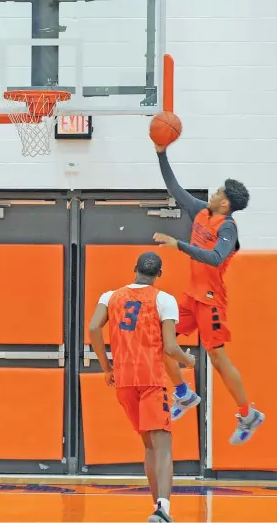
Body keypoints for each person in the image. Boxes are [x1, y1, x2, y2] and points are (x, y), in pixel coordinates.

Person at [152, 143, 265, 444]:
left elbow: (215, 258)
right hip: (191, 298)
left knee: (217, 358)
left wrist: (179, 245)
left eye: (218, 194)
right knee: (158, 337)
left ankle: (248, 413)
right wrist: (161, 152)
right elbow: (175, 188)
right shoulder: (200, 211)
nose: (212, 195)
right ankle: (183, 394)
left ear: (226, 204)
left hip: (212, 302)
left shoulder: (228, 228)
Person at [89, 251, 195, 523]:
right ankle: (162, 508)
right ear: (159, 274)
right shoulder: (164, 299)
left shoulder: (109, 296)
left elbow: (92, 328)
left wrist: (106, 367)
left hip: (124, 381)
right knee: (163, 447)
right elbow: (170, 347)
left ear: (134, 269)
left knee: (148, 446)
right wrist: (189, 359)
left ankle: (158, 508)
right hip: (150, 381)